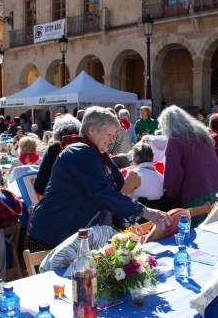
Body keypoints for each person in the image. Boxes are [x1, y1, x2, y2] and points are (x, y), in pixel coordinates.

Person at [28, 107, 171, 250]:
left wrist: (127, 218)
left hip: (71, 237)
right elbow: (101, 192)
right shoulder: (79, 151)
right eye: (109, 133)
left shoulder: (98, 154)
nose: (112, 139)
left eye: (114, 134)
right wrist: (144, 211)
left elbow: (114, 191)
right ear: (92, 130)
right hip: (54, 236)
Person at [160, 106, 218, 225]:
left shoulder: (175, 140)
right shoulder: (202, 133)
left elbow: (173, 173)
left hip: (196, 195)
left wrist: (169, 195)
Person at [33, 114, 81, 196]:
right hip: (88, 204)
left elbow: (39, 186)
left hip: (60, 202)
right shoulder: (87, 146)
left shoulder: (55, 148)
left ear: (57, 133)